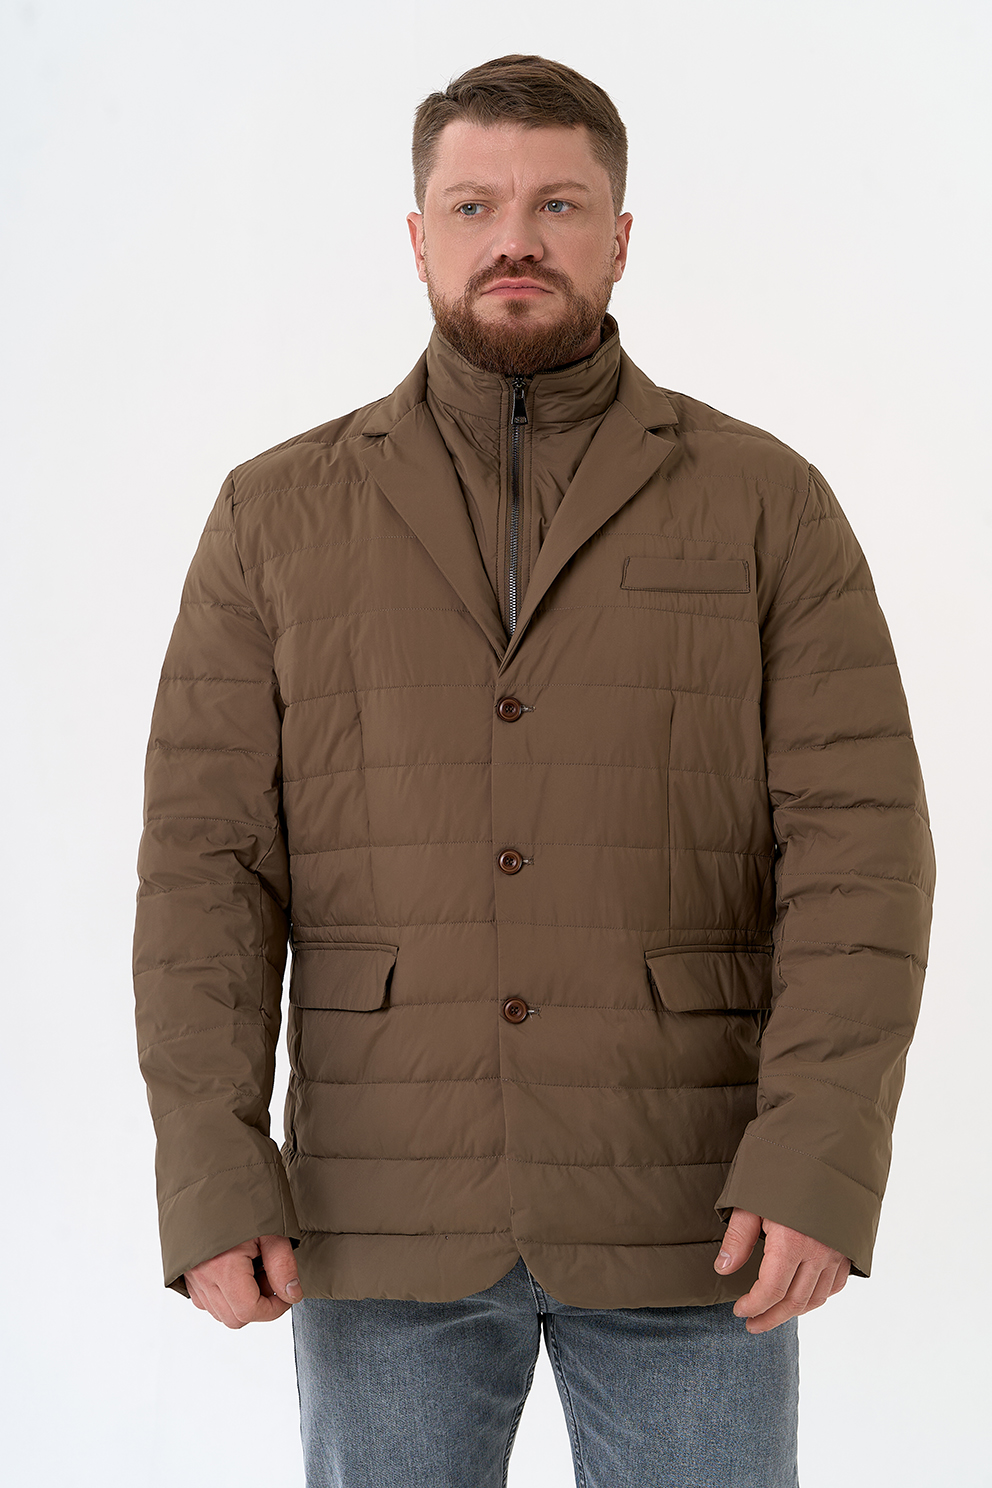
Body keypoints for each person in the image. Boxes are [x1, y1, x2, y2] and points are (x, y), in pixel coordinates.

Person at [133, 53, 935, 1488]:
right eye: (475, 205)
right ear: (418, 235)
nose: (516, 238)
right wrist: (210, 1163)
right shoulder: (275, 513)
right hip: (381, 1201)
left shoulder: (766, 503)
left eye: (558, 204)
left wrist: (819, 1154)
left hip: (693, 1205)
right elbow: (207, 867)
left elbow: (860, 851)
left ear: (619, 235)